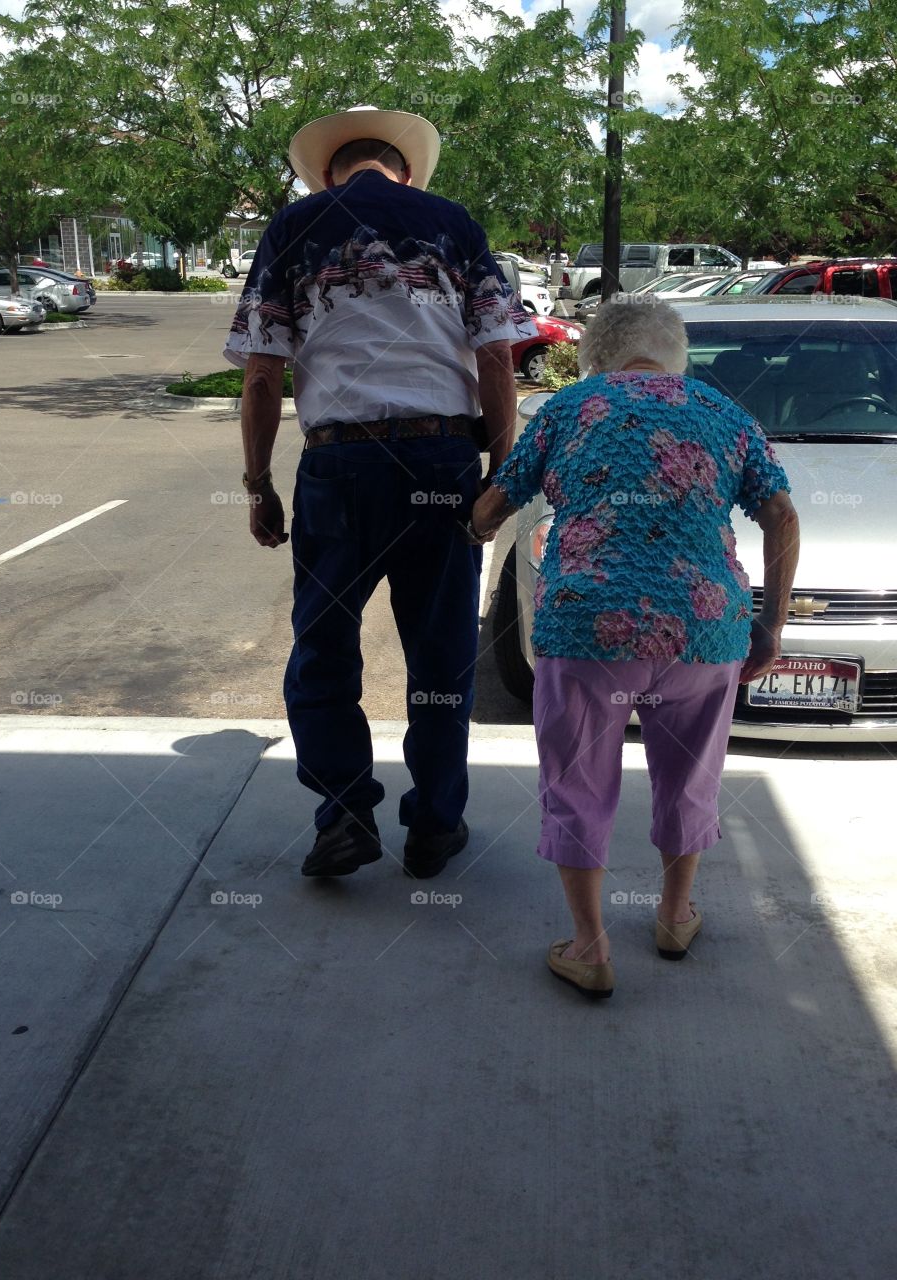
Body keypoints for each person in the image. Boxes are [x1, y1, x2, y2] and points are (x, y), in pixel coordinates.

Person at [223, 105, 535, 879]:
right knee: (442, 655)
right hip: (442, 462)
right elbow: (496, 361)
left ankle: (344, 815)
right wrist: (502, 474)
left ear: (330, 171)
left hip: (339, 467)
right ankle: (433, 826)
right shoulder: (452, 224)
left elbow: (262, 374)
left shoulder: (294, 228)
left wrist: (259, 485)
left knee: (323, 649)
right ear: (403, 168)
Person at [469, 296, 799, 998]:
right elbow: (781, 514)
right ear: (673, 354)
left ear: (597, 356)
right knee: (690, 776)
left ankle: (589, 948)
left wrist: (472, 521)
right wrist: (770, 625)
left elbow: (492, 508)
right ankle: (676, 917)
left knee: (578, 781)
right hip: (705, 630)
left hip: (588, 627)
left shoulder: (568, 407)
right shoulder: (723, 412)